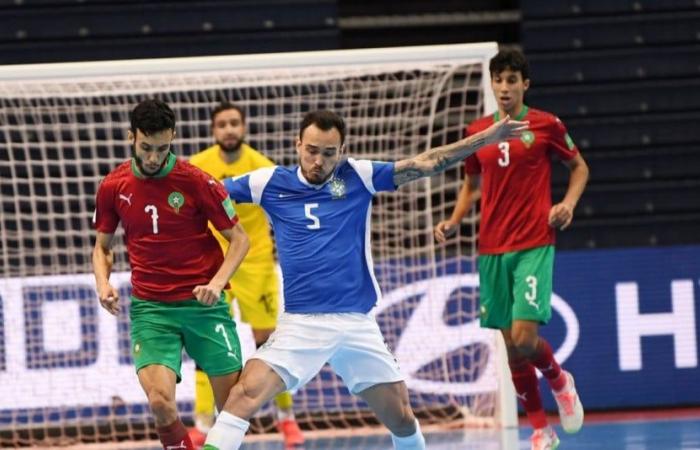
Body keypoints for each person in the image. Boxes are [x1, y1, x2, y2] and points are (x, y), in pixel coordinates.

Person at [201, 109, 527, 450]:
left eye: (329, 153)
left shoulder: (356, 175)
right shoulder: (268, 182)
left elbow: (427, 163)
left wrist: (486, 139)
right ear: (297, 144)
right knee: (243, 395)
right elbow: (207, 193)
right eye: (311, 150)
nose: (318, 161)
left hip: (357, 323)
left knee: (401, 417)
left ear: (342, 151)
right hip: (302, 324)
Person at [434, 49, 589, 450]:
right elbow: (472, 184)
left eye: (511, 80)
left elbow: (579, 167)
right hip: (491, 248)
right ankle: (540, 429)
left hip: (533, 242)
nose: (504, 88)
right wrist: (453, 221)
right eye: (498, 80)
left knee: (523, 337)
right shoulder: (478, 130)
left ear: (525, 85)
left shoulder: (545, 124)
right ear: (492, 83)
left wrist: (567, 205)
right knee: (511, 349)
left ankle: (559, 379)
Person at [92, 99, 250, 450]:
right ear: (131, 137)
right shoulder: (113, 186)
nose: (153, 157)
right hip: (152, 311)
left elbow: (239, 240)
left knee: (233, 410)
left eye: (162, 148)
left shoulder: (197, 181)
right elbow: (102, 248)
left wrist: (217, 283)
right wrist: (103, 283)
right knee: (161, 404)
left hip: (204, 308)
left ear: (173, 138)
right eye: (146, 147)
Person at [188, 102, 304, 447]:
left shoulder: (262, 168)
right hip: (213, 266)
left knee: (268, 343)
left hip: (255, 264)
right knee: (207, 343)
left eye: (234, 123)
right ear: (213, 130)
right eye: (222, 124)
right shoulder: (197, 168)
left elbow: (285, 213)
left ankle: (286, 420)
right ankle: (202, 422)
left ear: (244, 127)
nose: (228, 129)